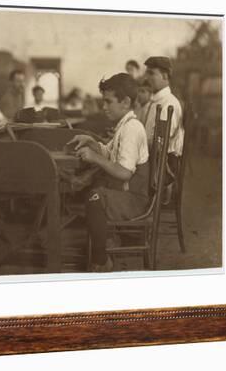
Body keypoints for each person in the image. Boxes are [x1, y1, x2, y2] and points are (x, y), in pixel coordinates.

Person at [67, 73, 149, 272]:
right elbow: (109, 152)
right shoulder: (124, 125)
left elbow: (124, 172)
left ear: (125, 102)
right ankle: (105, 239)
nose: (103, 107)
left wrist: (95, 158)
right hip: (125, 191)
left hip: (134, 198)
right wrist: (92, 142)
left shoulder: (132, 128)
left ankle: (101, 260)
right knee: (94, 188)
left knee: (95, 197)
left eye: (108, 101)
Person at [143, 56, 185, 204]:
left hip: (163, 166)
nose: (147, 77)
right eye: (146, 73)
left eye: (151, 73)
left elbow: (160, 144)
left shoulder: (168, 104)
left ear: (165, 75)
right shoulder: (155, 102)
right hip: (155, 159)